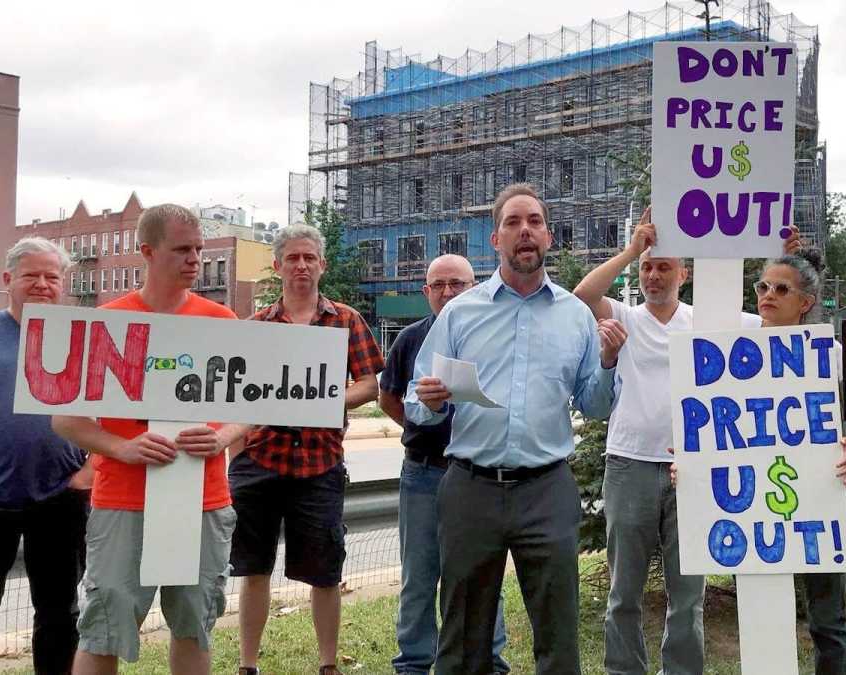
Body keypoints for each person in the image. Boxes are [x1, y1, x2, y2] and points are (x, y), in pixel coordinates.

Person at [405, 183, 626, 675]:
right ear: (495, 240)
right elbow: (414, 400)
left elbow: (594, 405)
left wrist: (609, 362)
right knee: (464, 635)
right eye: (512, 223)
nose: (525, 230)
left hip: (547, 489)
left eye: (534, 222)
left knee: (558, 632)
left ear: (548, 237)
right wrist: (429, 400)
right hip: (469, 489)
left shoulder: (576, 316)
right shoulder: (460, 312)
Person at [571, 208, 799, 675]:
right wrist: (633, 249)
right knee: (624, 592)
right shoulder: (624, 316)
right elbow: (583, 294)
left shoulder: (708, 320)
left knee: (687, 593)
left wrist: (781, 261)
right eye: (647, 269)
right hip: (629, 464)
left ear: (684, 274)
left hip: (691, 469)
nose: (654, 276)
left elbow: (775, 328)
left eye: (663, 267)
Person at [53, 204, 246, 674]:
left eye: (199, 249)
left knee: (194, 624)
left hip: (202, 499)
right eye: (182, 249)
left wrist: (222, 437)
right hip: (123, 499)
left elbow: (249, 410)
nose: (195, 259)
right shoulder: (106, 322)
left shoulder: (222, 321)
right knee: (105, 627)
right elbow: (67, 420)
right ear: (146, 251)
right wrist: (122, 447)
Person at [667, 248, 846, 675]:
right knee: (762, 614)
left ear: (806, 302)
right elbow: (712, 425)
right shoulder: (733, 354)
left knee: (827, 620)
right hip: (752, 507)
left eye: (781, 289)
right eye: (763, 286)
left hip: (817, 497)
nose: (768, 295)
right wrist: (694, 462)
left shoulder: (828, 353)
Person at [229, 224, 384, 675]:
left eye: (308, 258)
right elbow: (236, 396)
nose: (301, 265)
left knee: (325, 571)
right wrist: (234, 459)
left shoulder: (347, 320)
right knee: (253, 568)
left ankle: (328, 663)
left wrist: (325, 399)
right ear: (277, 267)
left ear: (322, 264)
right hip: (260, 460)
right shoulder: (256, 326)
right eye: (292, 258)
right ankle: (247, 664)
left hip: (320, 464)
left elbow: (371, 384)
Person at [0, 238, 91, 674]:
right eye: (32, 275)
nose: (42, 285)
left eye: (52, 277)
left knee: (59, 610)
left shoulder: (82, 339)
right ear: (8, 279)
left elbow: (117, 411)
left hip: (62, 493)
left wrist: (90, 470)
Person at [379, 254, 509, 675]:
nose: (448, 292)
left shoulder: (493, 338)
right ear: (426, 292)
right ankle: (414, 664)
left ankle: (489, 659)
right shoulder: (410, 339)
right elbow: (389, 397)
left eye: (457, 284)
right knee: (419, 577)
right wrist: (422, 427)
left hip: (479, 473)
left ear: (475, 287)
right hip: (423, 473)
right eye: (438, 285)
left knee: (482, 574)